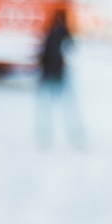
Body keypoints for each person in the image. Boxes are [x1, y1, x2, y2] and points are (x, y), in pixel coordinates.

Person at [35, 8, 84, 148]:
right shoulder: (63, 31)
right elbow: (72, 49)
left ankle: (44, 132)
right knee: (67, 105)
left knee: (47, 105)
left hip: (49, 72)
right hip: (58, 72)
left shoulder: (50, 31)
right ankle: (74, 133)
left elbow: (43, 53)